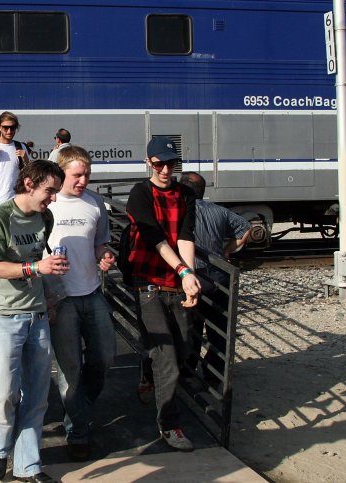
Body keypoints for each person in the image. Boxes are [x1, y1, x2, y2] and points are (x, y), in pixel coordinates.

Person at [0, 160, 68, 483]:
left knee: (37, 393)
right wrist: (37, 269)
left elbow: (38, 260)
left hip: (37, 313)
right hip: (4, 314)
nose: (53, 198)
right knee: (4, 391)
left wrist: (48, 287)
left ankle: (28, 466)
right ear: (29, 183)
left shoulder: (45, 216)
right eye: (49, 190)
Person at [125, 136, 201, 452]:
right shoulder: (140, 193)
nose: (166, 169)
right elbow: (154, 237)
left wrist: (190, 276)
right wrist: (183, 272)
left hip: (176, 279)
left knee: (185, 346)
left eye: (171, 164)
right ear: (148, 162)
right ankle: (169, 425)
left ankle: (147, 367)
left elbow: (185, 236)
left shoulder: (185, 194)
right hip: (148, 281)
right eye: (159, 164)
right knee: (167, 356)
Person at [47, 146, 116, 461]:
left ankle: (78, 408)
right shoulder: (47, 203)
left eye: (87, 174)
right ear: (62, 173)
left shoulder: (96, 203)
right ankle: (78, 432)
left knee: (104, 357)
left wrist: (104, 255)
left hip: (92, 292)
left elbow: (101, 242)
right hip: (62, 301)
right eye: (77, 175)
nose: (83, 180)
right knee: (69, 368)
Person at [179, 171, 250, 382]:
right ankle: (213, 378)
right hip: (219, 278)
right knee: (219, 332)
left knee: (190, 329)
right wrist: (227, 250)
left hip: (193, 278)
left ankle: (187, 373)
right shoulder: (219, 211)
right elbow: (245, 228)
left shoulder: (181, 212)